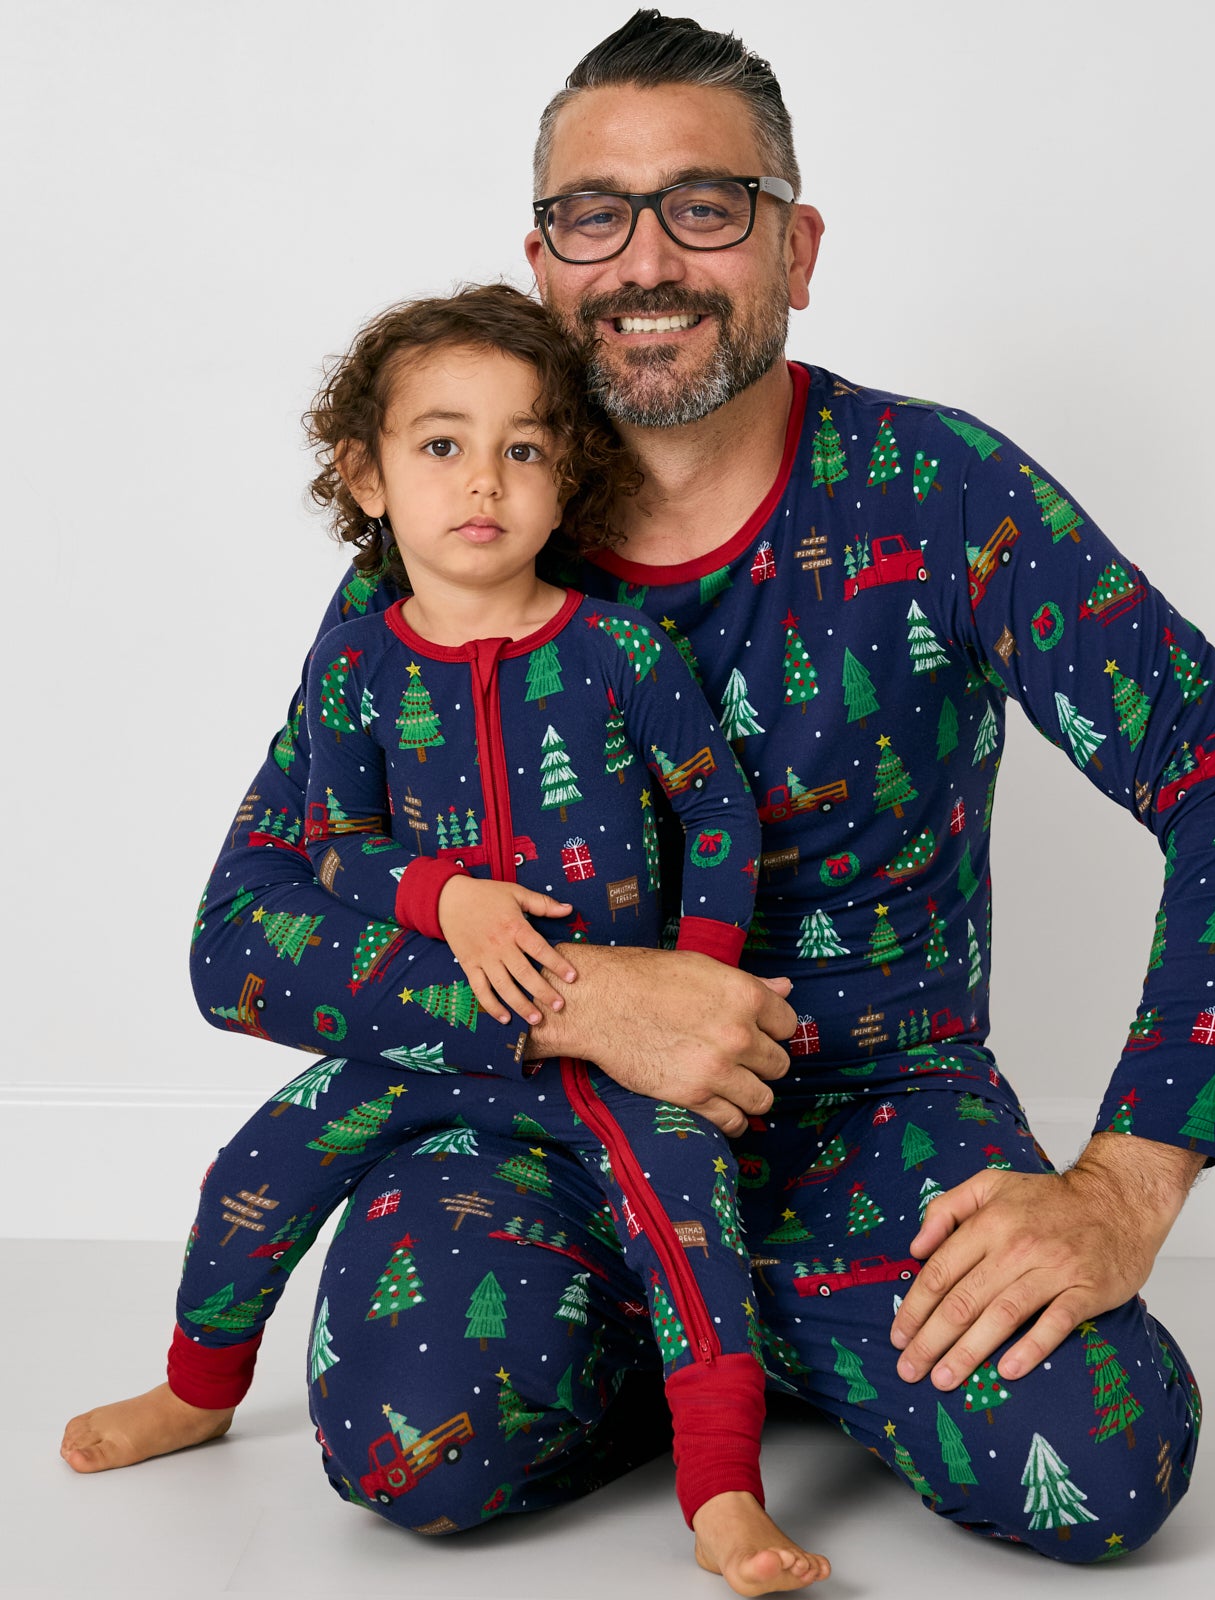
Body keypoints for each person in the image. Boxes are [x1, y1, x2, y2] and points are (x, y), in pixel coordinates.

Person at [69, 6, 1215, 1584]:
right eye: (596, 214)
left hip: (871, 1122)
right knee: (402, 1448)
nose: (647, 259)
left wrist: (1131, 1174)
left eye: (708, 207)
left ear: (797, 247)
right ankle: (679, 1343)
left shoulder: (943, 489)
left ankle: (778, 1335)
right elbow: (243, 934)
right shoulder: (449, 547)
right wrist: (573, 1002)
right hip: (530, 1131)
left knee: (1110, 1470)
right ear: (543, 256)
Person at [62, 282, 834, 1590]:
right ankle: (198, 1389)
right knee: (257, 1166)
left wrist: (693, 969)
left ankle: (723, 1500)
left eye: (523, 448)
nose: (484, 479)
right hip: (437, 1056)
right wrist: (448, 903)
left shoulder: (621, 653)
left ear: (566, 480)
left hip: (618, 1066)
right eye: (441, 444)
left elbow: (717, 808)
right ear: (365, 476)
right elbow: (332, 845)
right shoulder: (360, 667)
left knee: (692, 1235)